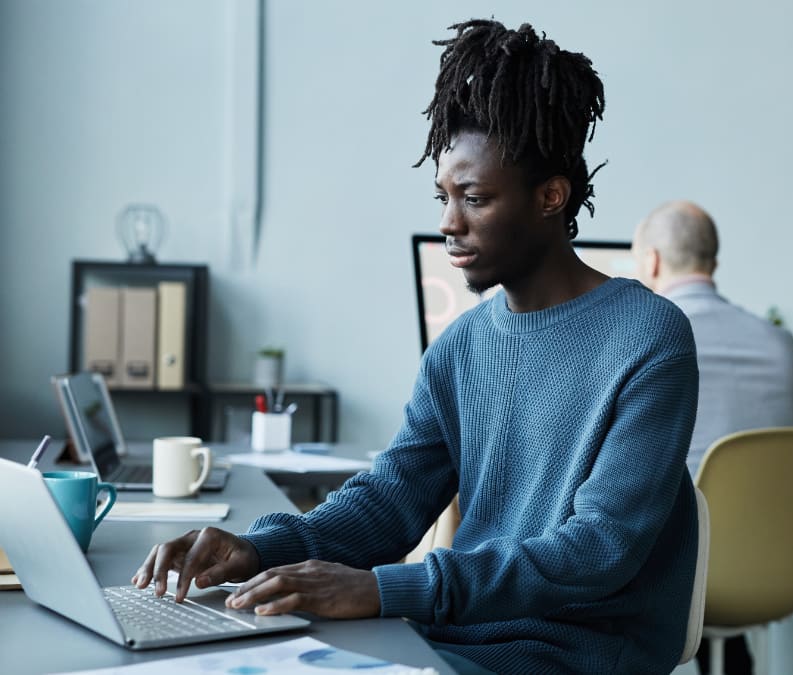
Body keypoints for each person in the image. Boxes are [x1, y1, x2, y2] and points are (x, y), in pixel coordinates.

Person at [131, 20, 700, 674]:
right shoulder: (459, 348)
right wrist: (257, 550)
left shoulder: (648, 335)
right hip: (447, 638)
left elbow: (599, 549)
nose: (447, 222)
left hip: (573, 653)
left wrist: (387, 589)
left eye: (475, 198)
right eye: (444, 196)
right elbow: (390, 500)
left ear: (551, 196)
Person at [633, 200, 793, 675]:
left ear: (653, 262)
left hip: (682, 578)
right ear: (713, 264)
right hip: (783, 569)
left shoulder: (638, 340)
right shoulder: (780, 343)